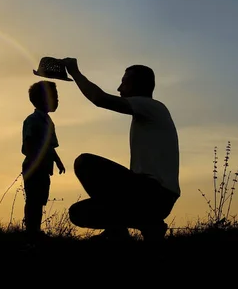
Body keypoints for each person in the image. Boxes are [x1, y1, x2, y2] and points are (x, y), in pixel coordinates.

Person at [62, 58, 180, 241]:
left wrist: (74, 72)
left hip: (155, 194)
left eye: (123, 82)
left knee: (84, 163)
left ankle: (119, 230)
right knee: (78, 213)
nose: (119, 88)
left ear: (136, 85)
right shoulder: (148, 113)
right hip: (149, 195)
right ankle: (147, 226)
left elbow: (99, 99)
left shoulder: (151, 106)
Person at [21, 80, 66, 238]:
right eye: (54, 97)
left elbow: (49, 146)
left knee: (39, 200)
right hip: (33, 167)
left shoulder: (48, 121)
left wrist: (57, 161)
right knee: (33, 199)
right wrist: (35, 160)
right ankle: (31, 231)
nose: (57, 101)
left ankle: (35, 230)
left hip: (43, 168)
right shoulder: (32, 120)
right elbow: (28, 143)